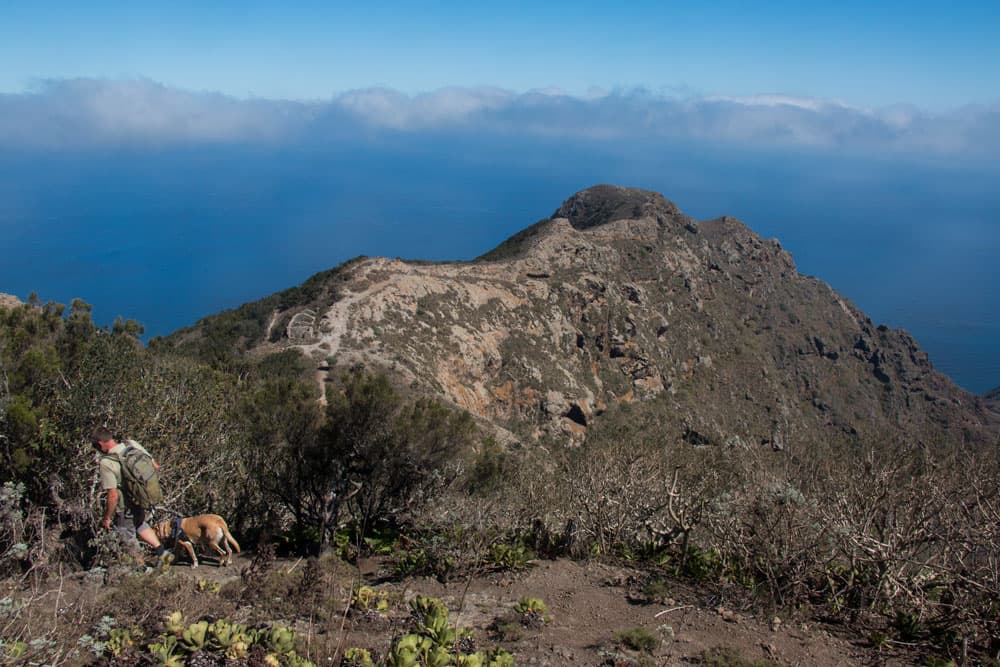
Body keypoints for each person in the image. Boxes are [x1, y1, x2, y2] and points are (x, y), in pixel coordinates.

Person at [91, 426, 168, 561]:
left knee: (126, 537)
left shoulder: (106, 462)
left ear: (100, 444)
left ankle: (141, 569)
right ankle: (163, 553)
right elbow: (155, 467)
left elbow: (113, 495)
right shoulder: (132, 445)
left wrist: (107, 517)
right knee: (139, 523)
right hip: (140, 498)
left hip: (124, 506)